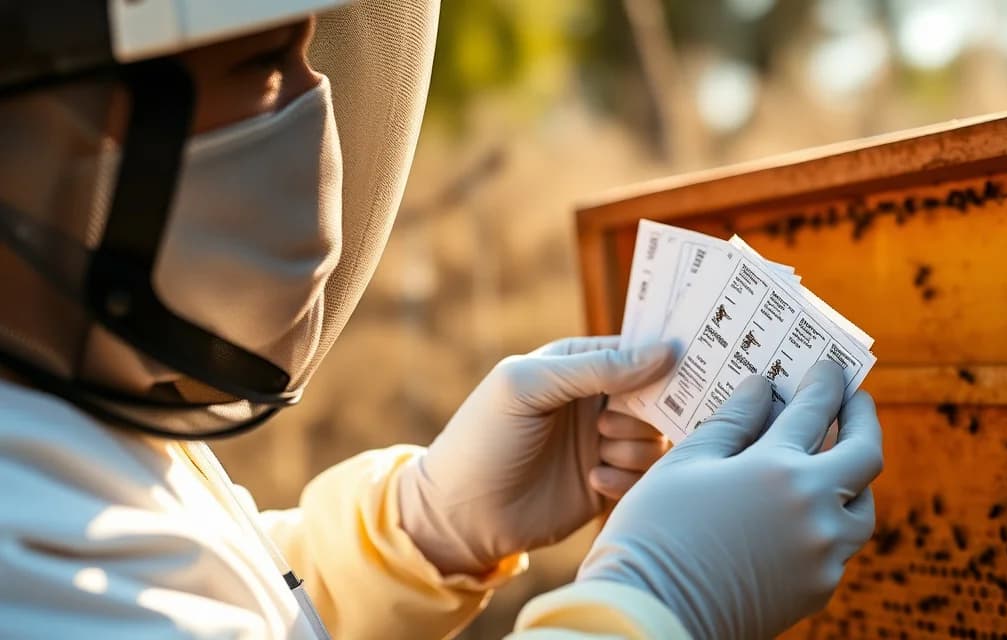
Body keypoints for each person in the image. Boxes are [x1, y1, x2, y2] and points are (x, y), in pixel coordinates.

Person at [0, 1, 884, 638]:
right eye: (261, 63)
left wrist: (422, 532)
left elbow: (213, 595)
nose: (320, 105)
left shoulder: (55, 427)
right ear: (43, 129)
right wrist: (657, 604)